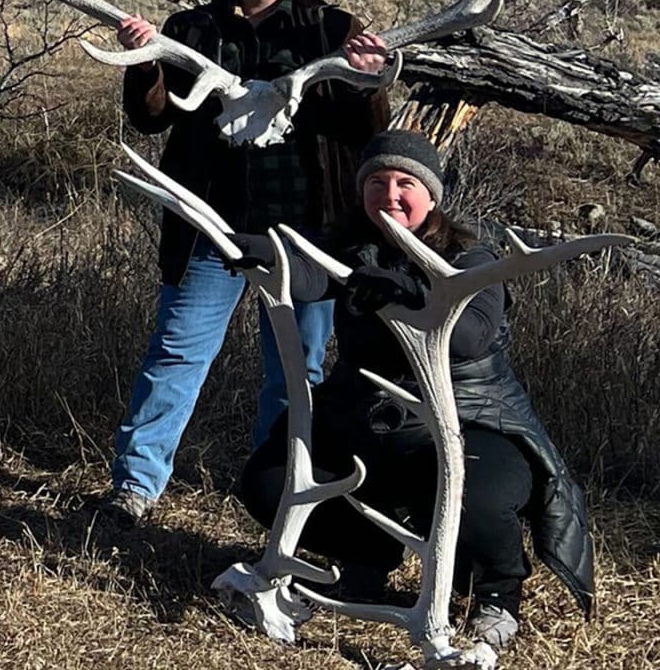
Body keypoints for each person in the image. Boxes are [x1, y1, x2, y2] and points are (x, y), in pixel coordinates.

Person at [233, 131, 594, 649]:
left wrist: (410, 293)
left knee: (473, 497)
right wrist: (267, 252)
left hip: (469, 421)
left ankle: (496, 592)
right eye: (377, 181)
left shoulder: (472, 259)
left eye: (406, 182)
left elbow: (470, 338)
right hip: (366, 420)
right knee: (268, 482)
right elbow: (312, 270)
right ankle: (367, 557)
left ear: (431, 196)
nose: (390, 193)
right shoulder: (353, 246)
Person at [104, 0, 388, 520]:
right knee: (177, 353)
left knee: (297, 367)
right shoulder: (191, 29)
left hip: (306, 232)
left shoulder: (330, 29)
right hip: (211, 225)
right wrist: (148, 60)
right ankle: (136, 485)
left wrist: (368, 81)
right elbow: (153, 117)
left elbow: (365, 129)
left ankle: (282, 491)